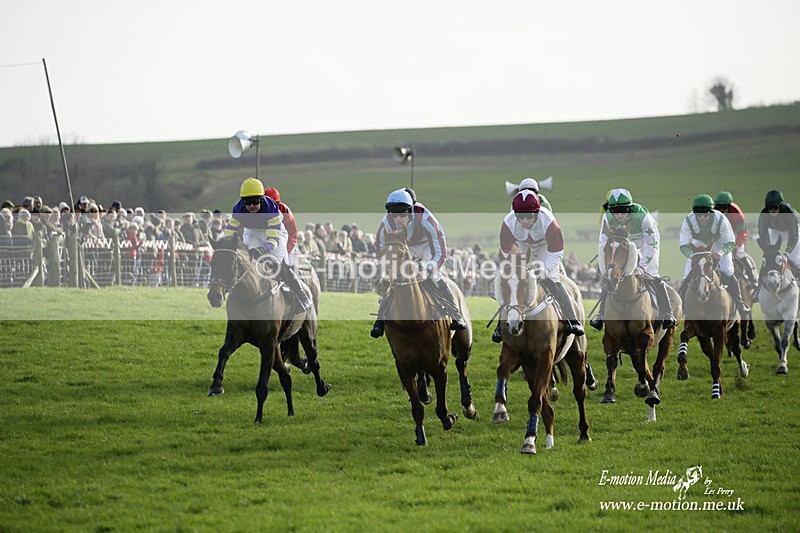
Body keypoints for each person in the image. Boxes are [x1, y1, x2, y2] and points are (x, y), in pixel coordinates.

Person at [371, 189, 467, 338]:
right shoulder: (385, 224)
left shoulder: (425, 218)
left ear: (411, 210)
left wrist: (427, 269)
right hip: (402, 248)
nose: (398, 219)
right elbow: (380, 248)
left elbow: (440, 251)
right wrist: (388, 270)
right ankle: (380, 320)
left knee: (435, 277)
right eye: (394, 215)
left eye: (402, 214)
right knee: (391, 281)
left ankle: (456, 315)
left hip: (427, 247)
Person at [493, 190, 584, 341]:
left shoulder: (548, 220)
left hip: (546, 247)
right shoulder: (508, 222)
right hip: (521, 246)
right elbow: (507, 250)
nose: (524, 220)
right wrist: (516, 267)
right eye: (520, 216)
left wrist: (544, 269)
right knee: (512, 281)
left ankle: (571, 320)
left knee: (552, 278)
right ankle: (500, 326)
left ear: (536, 213)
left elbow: (557, 250)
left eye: (529, 216)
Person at [591, 188, 676, 330]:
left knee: (652, 274)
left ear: (630, 208)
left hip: (645, 242)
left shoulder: (643, 217)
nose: (619, 215)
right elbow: (603, 244)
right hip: (622, 243)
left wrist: (642, 266)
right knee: (611, 276)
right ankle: (601, 315)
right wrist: (605, 268)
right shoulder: (607, 217)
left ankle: (668, 313)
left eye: (623, 210)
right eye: (615, 211)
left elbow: (652, 244)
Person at [224, 177, 310, 313]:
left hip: (275, 233)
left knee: (280, 263)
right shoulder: (238, 209)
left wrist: (264, 249)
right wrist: (224, 246)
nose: (252, 206)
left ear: (262, 199)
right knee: (248, 259)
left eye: (255, 202)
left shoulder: (271, 209)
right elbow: (229, 232)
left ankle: (301, 296)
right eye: (248, 202)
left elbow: (273, 240)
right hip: (252, 232)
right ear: (242, 201)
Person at [679, 194, 750, 314]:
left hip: (719, 243)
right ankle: (681, 305)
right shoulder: (688, 220)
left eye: (705, 214)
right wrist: (693, 255)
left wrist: (721, 253)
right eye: (698, 215)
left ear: (711, 212)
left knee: (727, 270)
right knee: (687, 273)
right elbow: (683, 245)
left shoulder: (721, 219)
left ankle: (740, 303)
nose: (702, 218)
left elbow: (730, 242)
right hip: (700, 243)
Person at [714, 191, 758, 284]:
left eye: (724, 208)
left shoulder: (736, 212)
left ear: (729, 206)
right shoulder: (713, 212)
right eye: (718, 207)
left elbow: (742, 233)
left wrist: (736, 246)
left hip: (734, 235)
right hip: (719, 236)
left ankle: (753, 280)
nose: (721, 210)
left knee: (741, 254)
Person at [757, 189, 800, 277]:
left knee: (794, 259)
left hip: (792, 231)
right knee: (769, 256)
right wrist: (767, 250)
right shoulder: (763, 214)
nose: (772, 211)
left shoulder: (789, 213)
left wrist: (787, 252)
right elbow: (763, 234)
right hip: (775, 230)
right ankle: (760, 283)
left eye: (775, 208)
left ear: (780, 206)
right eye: (769, 208)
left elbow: (794, 235)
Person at [264, 187, 298, 266]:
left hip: (286, 242)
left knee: (286, 264)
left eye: (276, 204)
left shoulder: (284, 211)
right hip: (267, 241)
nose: (274, 207)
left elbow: (292, 234)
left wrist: (286, 250)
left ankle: (293, 277)